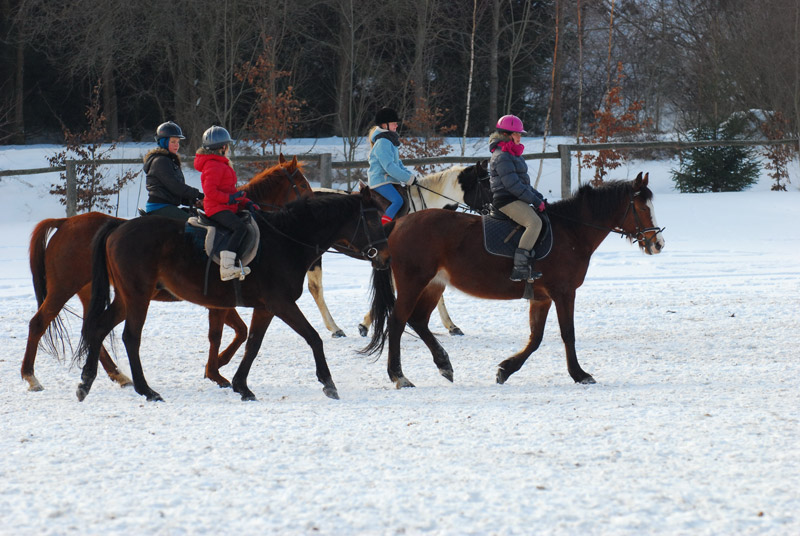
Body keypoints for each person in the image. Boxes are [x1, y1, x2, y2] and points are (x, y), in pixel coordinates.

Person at [194, 125, 258, 281]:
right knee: (239, 228)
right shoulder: (213, 165)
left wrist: (247, 202)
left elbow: (230, 190)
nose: (228, 148)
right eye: (227, 145)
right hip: (216, 208)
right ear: (223, 147)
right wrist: (230, 199)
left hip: (225, 206)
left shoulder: (221, 164)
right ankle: (227, 267)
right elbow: (210, 192)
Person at [489, 114, 546, 282]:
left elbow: (523, 184)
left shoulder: (512, 153)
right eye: (517, 133)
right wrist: (534, 201)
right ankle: (519, 268)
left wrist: (539, 197)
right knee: (534, 223)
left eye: (520, 133)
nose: (520, 137)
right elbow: (512, 185)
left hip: (515, 196)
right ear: (505, 134)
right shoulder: (502, 156)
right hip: (506, 199)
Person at [143, 121, 203, 221]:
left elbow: (173, 192)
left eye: (178, 142)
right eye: (173, 142)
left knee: (199, 218)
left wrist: (193, 201)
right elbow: (176, 186)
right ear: (163, 142)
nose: (176, 145)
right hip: (159, 207)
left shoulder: (169, 160)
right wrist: (199, 195)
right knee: (193, 224)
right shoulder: (161, 161)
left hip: (168, 205)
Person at [367, 107, 417, 225]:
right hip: (380, 181)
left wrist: (410, 177)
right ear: (385, 125)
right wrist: (407, 179)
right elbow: (389, 167)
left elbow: (398, 164)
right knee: (397, 201)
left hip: (388, 180)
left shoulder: (389, 141)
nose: (396, 125)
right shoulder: (383, 142)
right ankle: (384, 225)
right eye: (394, 123)